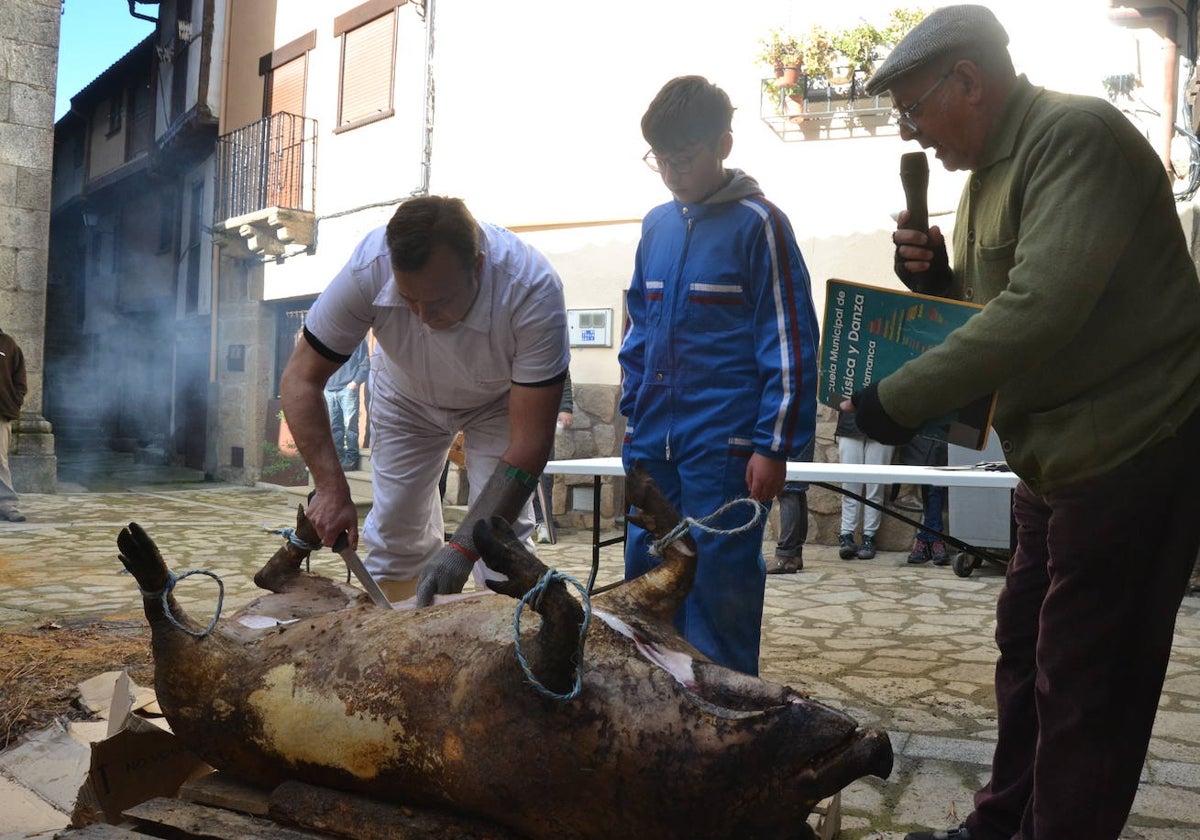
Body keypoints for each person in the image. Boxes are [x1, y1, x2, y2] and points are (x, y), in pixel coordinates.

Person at [847, 7, 1200, 839]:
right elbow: (986, 308)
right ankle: (1000, 823)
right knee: (1026, 651)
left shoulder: (1076, 137)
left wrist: (894, 400)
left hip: (1132, 448)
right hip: (1053, 463)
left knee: (1085, 678)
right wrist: (932, 282)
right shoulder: (984, 181)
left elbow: (1040, 312)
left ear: (967, 80)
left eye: (912, 109)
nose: (912, 131)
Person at [620, 75, 819, 676]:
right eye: (661, 159)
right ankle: (650, 702)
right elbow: (639, 327)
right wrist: (633, 417)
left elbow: (788, 339)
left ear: (724, 145)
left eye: (685, 157)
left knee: (721, 584)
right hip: (654, 444)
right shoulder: (655, 225)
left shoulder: (761, 225)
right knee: (647, 577)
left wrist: (774, 446)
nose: (672, 171)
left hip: (727, 449)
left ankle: (727, 710)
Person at [280, 196, 569, 605]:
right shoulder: (369, 268)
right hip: (404, 395)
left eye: (439, 301)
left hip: (500, 400)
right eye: (408, 299)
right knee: (396, 532)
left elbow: (529, 446)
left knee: (501, 546)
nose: (423, 316)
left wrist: (463, 548)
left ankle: (507, 647)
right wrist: (329, 486)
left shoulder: (532, 289)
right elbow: (299, 378)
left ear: (479, 266)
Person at [833, 408, 893, 560]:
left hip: (884, 425)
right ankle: (846, 534)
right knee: (850, 485)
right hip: (850, 422)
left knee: (875, 485)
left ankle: (869, 536)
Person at [532, 371, 574, 544]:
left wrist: (565, 408)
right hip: (512, 415)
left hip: (544, 417)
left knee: (544, 472)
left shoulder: (551, 345)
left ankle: (543, 521)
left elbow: (563, 377)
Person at [899, 437, 949, 566]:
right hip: (922, 440)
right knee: (929, 488)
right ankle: (933, 539)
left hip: (943, 440)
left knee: (935, 488)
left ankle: (929, 539)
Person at [323, 338, 370, 471]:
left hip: (347, 389)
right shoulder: (329, 339)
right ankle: (338, 458)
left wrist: (354, 383)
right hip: (330, 389)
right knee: (334, 426)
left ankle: (351, 458)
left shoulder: (359, 341)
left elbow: (365, 365)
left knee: (350, 425)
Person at [0, 328, 27, 523]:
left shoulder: (8, 344)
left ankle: (7, 504)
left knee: (0, 462)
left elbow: (20, 379)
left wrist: (13, 402)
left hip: (0, 413)